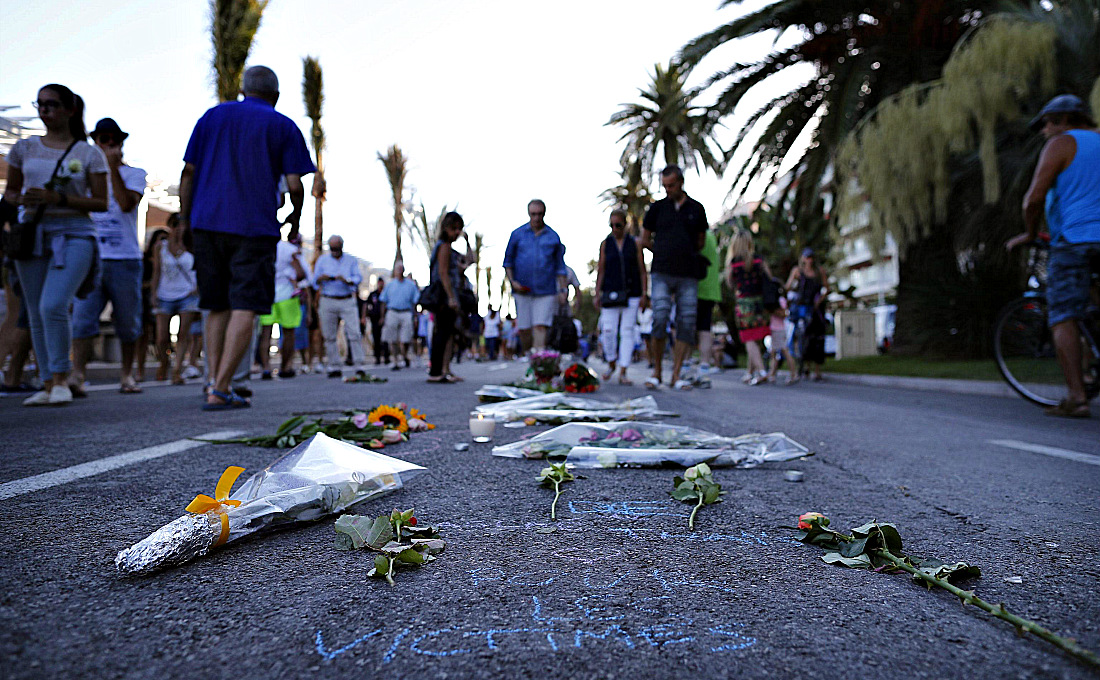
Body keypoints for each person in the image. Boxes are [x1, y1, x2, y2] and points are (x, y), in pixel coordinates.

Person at [178, 65, 315, 410]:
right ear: (276, 95)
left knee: (215, 304)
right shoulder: (282, 125)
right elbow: (296, 184)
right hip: (254, 227)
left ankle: (214, 380)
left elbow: (188, 172)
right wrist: (295, 219)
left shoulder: (211, 117)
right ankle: (222, 387)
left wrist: (185, 220)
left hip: (207, 222)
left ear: (243, 90)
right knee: (245, 305)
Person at [3, 84, 108, 406]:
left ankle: (62, 377)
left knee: (53, 304)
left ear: (69, 109)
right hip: (32, 233)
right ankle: (48, 382)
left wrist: (59, 198)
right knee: (34, 310)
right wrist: (23, 199)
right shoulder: (24, 148)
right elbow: (10, 193)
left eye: (52, 104)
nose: (44, 110)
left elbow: (102, 202)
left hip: (75, 233)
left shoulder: (88, 153)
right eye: (40, 104)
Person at [1007, 94, 1100, 418]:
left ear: (1063, 120)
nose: (1044, 131)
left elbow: (1032, 199)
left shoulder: (1062, 143)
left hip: (1076, 241)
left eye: (1046, 123)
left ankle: (1077, 397)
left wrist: (1030, 234)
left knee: (1064, 315)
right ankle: (1090, 371)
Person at [65, 118, 147, 395]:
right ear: (95, 141)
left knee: (128, 321)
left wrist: (111, 166)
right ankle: (78, 375)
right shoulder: (85, 175)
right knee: (83, 319)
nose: (109, 144)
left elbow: (125, 204)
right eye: (103, 139)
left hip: (125, 258)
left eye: (114, 139)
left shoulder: (135, 173)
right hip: (90, 256)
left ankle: (127, 376)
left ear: (121, 143)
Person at [640, 165, 708, 391]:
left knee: (687, 322)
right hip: (661, 272)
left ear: (681, 183)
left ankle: (677, 374)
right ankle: (657, 371)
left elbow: (700, 241)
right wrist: (661, 252)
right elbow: (645, 239)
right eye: (665, 186)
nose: (668, 189)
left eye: (672, 185)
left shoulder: (697, 209)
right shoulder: (657, 209)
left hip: (688, 274)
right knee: (659, 317)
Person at [503, 199, 568, 351]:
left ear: (544, 214)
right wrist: (513, 282)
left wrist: (563, 290)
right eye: (533, 214)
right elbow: (508, 262)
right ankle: (530, 358)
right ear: (528, 214)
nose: (537, 218)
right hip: (522, 290)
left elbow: (560, 267)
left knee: (540, 326)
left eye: (540, 214)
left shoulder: (553, 237)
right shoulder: (517, 235)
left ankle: (539, 363)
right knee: (524, 329)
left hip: (546, 291)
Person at [594, 209, 647, 385]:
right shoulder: (605, 244)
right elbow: (601, 269)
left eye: (618, 225)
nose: (615, 229)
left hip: (632, 293)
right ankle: (611, 362)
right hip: (610, 293)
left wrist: (644, 294)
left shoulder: (634, 243)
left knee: (627, 331)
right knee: (608, 330)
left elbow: (642, 270)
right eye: (612, 225)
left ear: (625, 224)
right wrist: (597, 293)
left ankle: (623, 370)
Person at [152, 214, 200, 384]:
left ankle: (177, 370)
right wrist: (153, 293)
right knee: (161, 337)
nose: (179, 229)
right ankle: (164, 362)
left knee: (183, 334)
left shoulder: (192, 246)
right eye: (175, 225)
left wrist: (197, 288)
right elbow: (156, 271)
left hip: (188, 294)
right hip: (165, 294)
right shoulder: (160, 247)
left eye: (182, 225)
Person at [428, 212, 473, 382]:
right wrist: (451, 297)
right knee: (442, 333)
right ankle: (436, 371)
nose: (457, 233)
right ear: (447, 228)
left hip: (448, 295)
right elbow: (443, 273)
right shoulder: (444, 246)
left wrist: (467, 241)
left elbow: (470, 260)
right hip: (444, 296)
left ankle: (445, 369)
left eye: (459, 229)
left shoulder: (450, 249)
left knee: (448, 334)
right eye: (454, 229)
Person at [314, 235, 366, 377]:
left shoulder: (351, 260)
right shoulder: (322, 260)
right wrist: (322, 278)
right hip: (328, 299)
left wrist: (347, 280)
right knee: (329, 335)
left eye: (337, 248)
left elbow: (358, 278)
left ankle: (359, 364)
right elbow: (314, 281)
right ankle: (334, 365)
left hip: (347, 299)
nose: (334, 251)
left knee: (354, 332)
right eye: (332, 248)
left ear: (342, 246)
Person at [726, 230, 773, 385]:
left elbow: (730, 283)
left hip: (744, 304)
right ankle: (750, 371)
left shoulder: (734, 263)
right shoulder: (759, 260)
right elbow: (769, 278)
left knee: (749, 339)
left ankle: (760, 371)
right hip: (760, 302)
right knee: (755, 338)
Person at [258, 231, 307, 378]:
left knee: (265, 333)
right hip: (287, 296)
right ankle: (285, 367)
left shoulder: (261, 247)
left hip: (267, 295)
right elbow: (300, 274)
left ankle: (266, 368)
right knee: (288, 333)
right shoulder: (289, 249)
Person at [785, 247, 828, 381]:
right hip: (801, 308)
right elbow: (788, 287)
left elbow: (826, 288)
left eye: (811, 257)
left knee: (817, 338)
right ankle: (804, 366)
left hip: (815, 309)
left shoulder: (819, 271)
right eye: (806, 257)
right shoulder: (798, 271)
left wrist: (819, 300)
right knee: (803, 337)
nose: (809, 260)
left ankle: (817, 369)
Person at [135, 229, 168, 382]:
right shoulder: (144, 261)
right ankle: (140, 370)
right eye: (160, 239)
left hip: (164, 299)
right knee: (142, 336)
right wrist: (150, 286)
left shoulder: (170, 260)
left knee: (162, 337)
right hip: (145, 300)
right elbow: (137, 282)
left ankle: (164, 365)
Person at [380, 261, 419, 369]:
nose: (400, 271)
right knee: (392, 337)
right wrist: (382, 316)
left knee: (406, 338)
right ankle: (395, 359)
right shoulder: (390, 285)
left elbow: (414, 302)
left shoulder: (411, 285)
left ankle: (404, 355)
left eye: (401, 268)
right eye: (398, 269)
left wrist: (415, 317)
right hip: (392, 312)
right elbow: (384, 301)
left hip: (406, 312)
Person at [695, 229, 722, 378]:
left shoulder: (697, 235)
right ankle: (704, 365)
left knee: (689, 327)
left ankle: (685, 365)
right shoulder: (711, 237)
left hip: (698, 288)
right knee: (705, 328)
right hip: (711, 289)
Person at [765, 294, 798, 385]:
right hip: (773, 328)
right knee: (773, 352)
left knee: (784, 350)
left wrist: (772, 310)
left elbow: (784, 313)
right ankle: (772, 374)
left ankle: (793, 373)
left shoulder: (780, 300)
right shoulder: (772, 299)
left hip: (779, 329)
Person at [364, 278, 390, 365]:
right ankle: (377, 357)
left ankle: (386, 357)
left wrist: (383, 317)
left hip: (385, 319)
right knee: (376, 339)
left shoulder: (386, 294)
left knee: (385, 338)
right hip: (374, 319)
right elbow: (367, 304)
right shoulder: (373, 294)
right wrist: (365, 315)